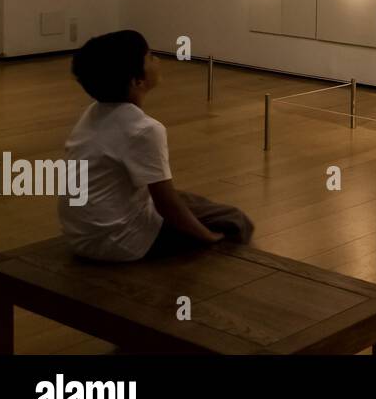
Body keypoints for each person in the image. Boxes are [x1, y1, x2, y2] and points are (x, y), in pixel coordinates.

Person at [59, 30, 253, 261]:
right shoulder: (144, 129)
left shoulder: (92, 113)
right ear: (136, 81)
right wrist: (207, 237)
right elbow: (166, 204)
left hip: (80, 235)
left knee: (193, 202)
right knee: (235, 220)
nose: (157, 61)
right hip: (121, 242)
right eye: (150, 57)